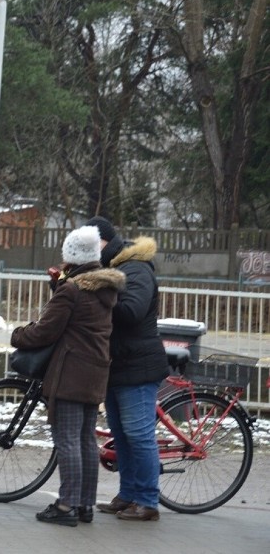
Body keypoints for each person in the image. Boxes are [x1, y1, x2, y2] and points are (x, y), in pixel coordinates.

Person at [11, 225, 125, 526]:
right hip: (95, 370)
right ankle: (85, 505)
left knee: (68, 441)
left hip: (70, 373)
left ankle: (65, 506)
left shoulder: (73, 289)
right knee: (86, 440)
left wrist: (18, 335)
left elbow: (46, 330)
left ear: (72, 255)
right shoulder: (103, 287)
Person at [85, 215, 169, 522]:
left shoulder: (135, 268)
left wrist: (100, 292)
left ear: (106, 242)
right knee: (121, 435)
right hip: (118, 364)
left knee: (138, 434)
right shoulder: (114, 268)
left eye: (95, 245)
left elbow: (132, 312)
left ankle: (147, 501)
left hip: (138, 365)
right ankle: (128, 494)